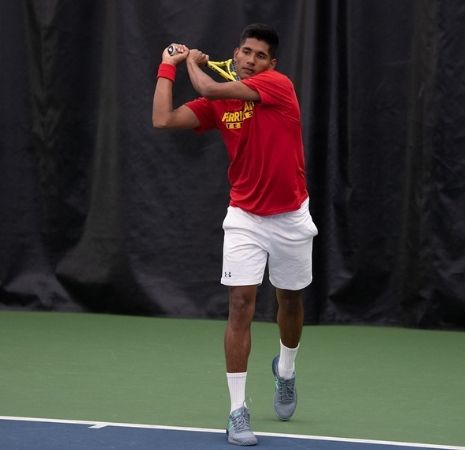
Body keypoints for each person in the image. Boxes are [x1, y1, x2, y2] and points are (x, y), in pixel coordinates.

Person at [152, 23, 317, 446]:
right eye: (245, 52)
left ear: (271, 64)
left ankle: (286, 369)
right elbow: (163, 119)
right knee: (241, 304)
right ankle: (237, 411)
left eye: (260, 56)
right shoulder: (222, 104)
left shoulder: (278, 86)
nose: (249, 60)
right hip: (244, 216)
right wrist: (166, 68)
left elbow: (208, 89)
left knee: (290, 301)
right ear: (236, 53)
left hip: (291, 217)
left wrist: (190, 60)